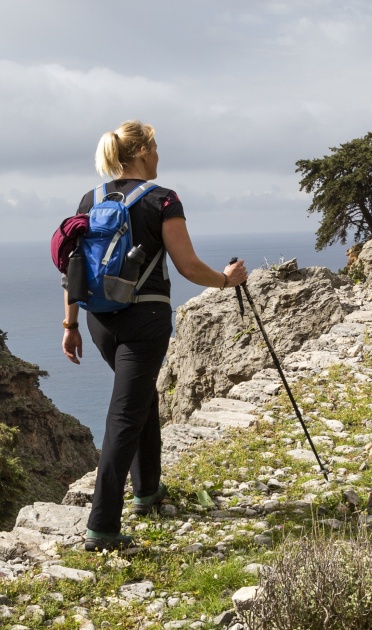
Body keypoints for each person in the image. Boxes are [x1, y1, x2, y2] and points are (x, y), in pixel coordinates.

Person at [62, 120, 246, 551]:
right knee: (124, 415)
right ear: (142, 151)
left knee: (142, 397)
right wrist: (226, 280)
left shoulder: (93, 199)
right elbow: (187, 266)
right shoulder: (164, 199)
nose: (160, 154)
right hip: (145, 321)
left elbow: (75, 267)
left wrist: (69, 325)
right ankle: (102, 527)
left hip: (99, 321)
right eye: (156, 147)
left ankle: (147, 491)